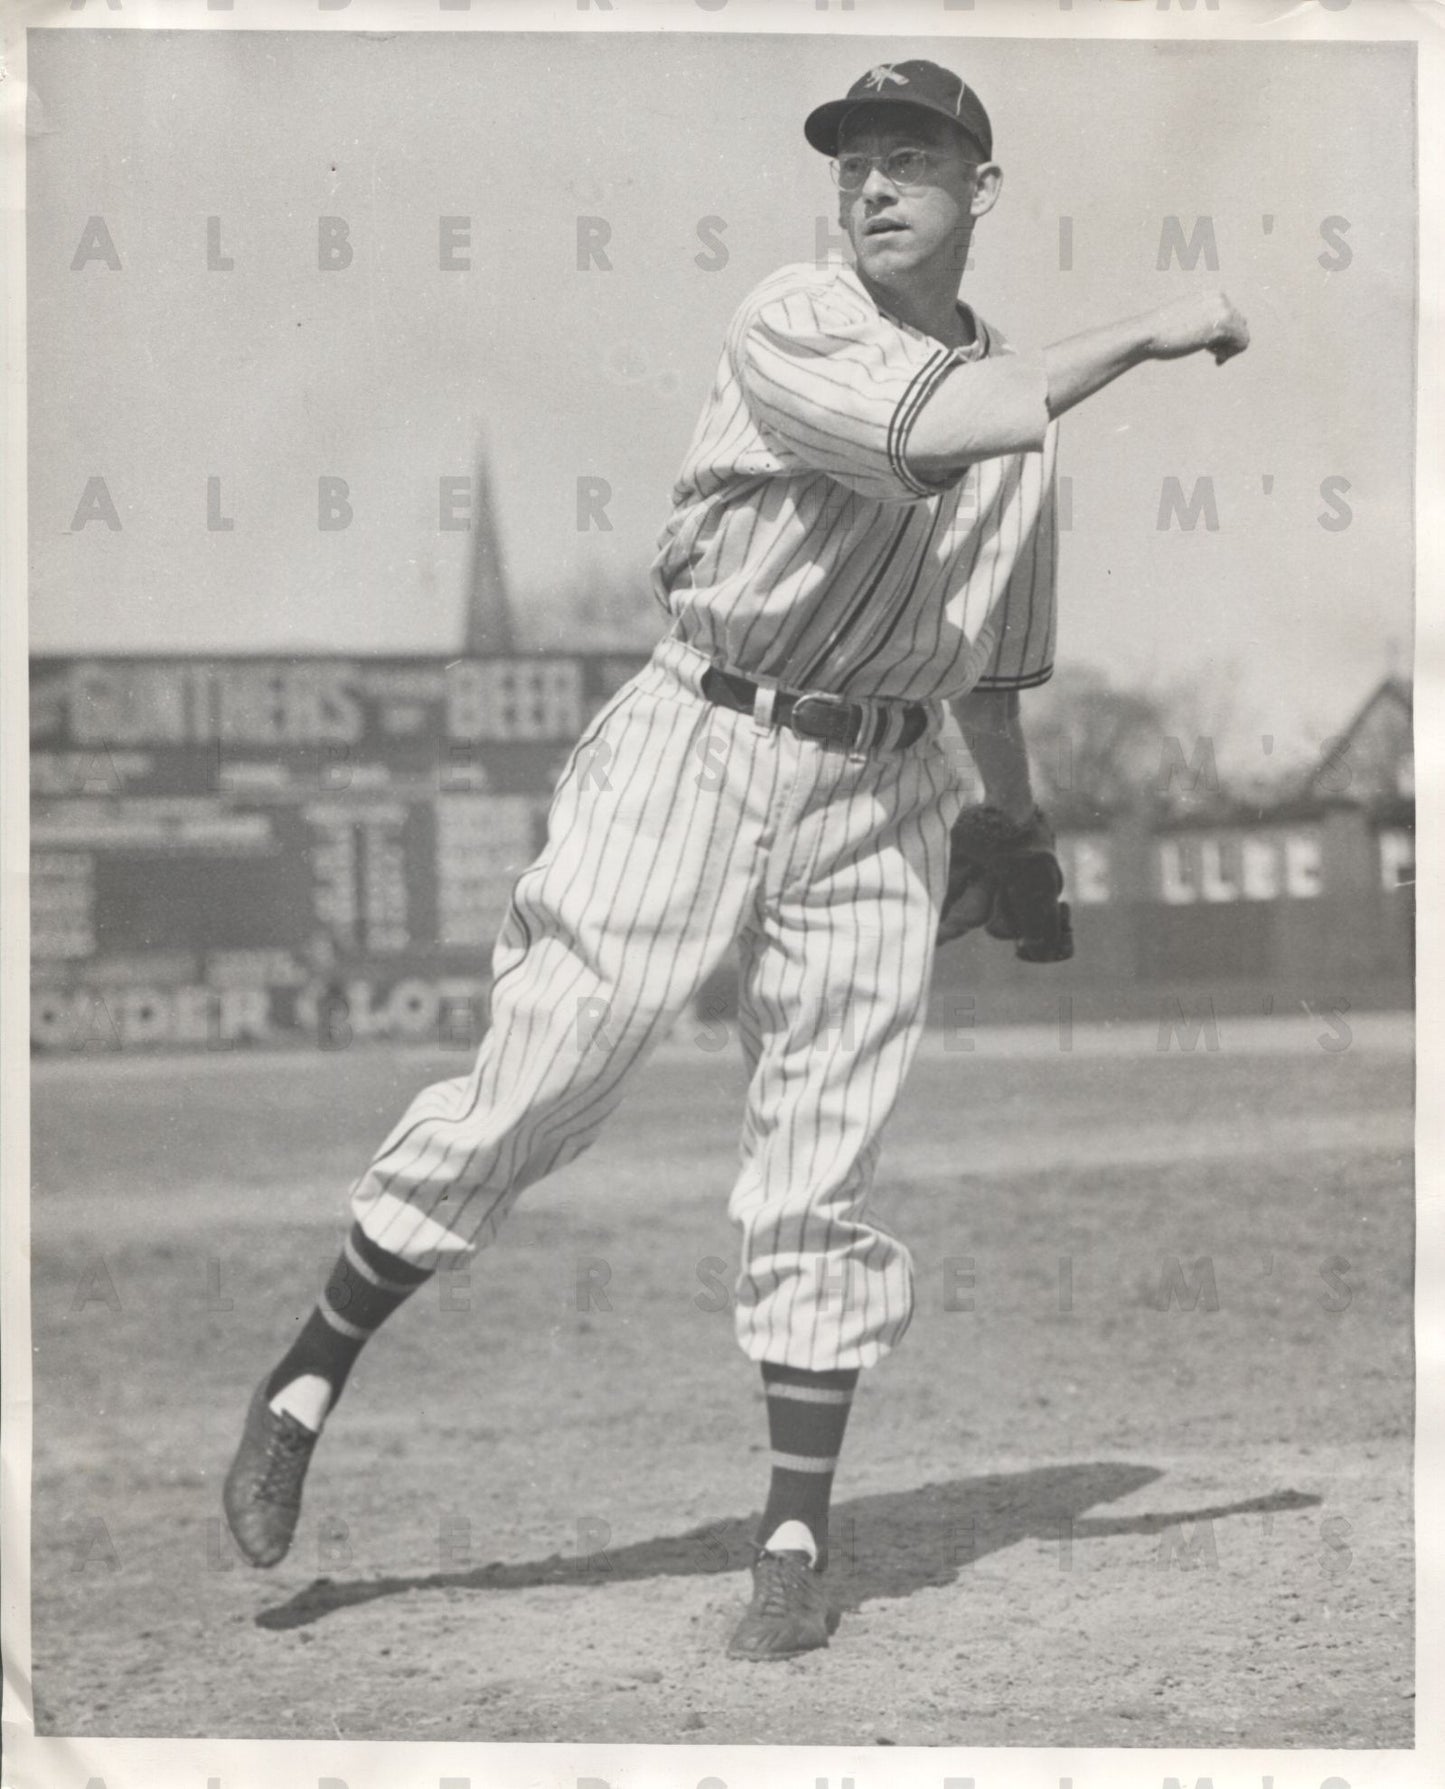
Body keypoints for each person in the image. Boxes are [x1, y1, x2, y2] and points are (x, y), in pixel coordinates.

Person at [223, 58, 1248, 1661]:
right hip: (701, 737)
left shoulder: (1027, 412)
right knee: (541, 1074)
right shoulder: (796, 320)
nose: (873, 188)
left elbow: (985, 654)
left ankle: (790, 1534)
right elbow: (937, 423)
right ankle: (301, 1380)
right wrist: (1149, 328)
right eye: (853, 164)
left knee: (823, 1151)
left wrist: (1015, 814)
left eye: (913, 161)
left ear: (981, 193)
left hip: (880, 785)